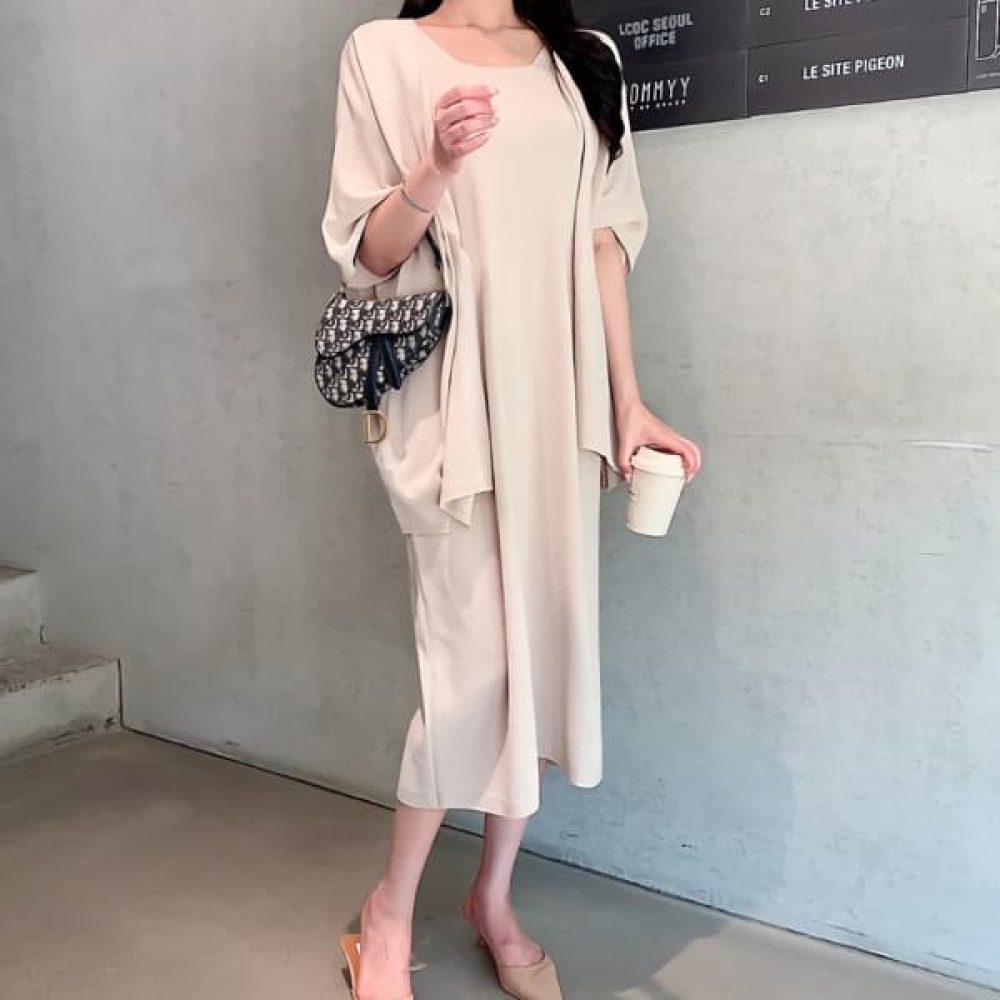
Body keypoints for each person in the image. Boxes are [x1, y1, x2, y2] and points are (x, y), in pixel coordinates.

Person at [321, 2, 702, 997]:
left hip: (559, 400)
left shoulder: (586, 60)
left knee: (538, 665)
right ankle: (388, 912)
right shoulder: (382, 53)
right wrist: (436, 165)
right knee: (468, 674)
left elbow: (604, 243)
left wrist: (627, 402)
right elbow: (369, 254)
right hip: (456, 404)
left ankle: (490, 898)